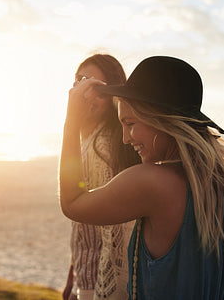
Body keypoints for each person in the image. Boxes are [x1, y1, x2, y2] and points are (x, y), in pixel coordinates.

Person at [59, 56, 224, 299]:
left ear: (162, 120)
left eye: (131, 123)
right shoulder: (221, 182)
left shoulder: (152, 182)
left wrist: (71, 121)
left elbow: (72, 203)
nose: (126, 137)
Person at [62, 54, 141, 300]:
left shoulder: (101, 147)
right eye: (80, 81)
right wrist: (72, 277)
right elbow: (86, 231)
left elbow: (110, 238)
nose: (85, 93)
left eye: (95, 87)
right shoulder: (98, 141)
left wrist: (84, 290)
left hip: (97, 285)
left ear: (114, 96)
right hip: (87, 279)